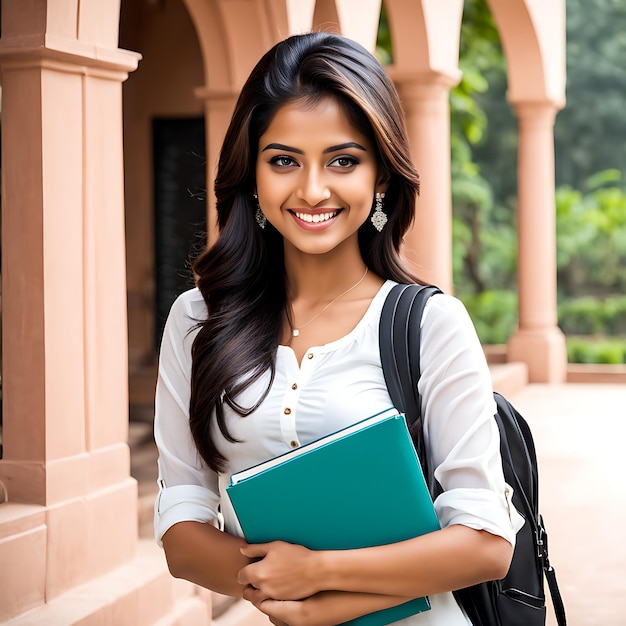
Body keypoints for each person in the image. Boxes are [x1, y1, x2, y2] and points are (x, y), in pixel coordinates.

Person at [154, 31, 523, 626]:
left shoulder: (431, 325)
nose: (312, 190)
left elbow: (485, 542)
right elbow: (181, 526)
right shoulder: (198, 320)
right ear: (253, 174)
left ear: (380, 177)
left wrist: (318, 580)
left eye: (343, 160)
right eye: (283, 161)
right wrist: (286, 592)